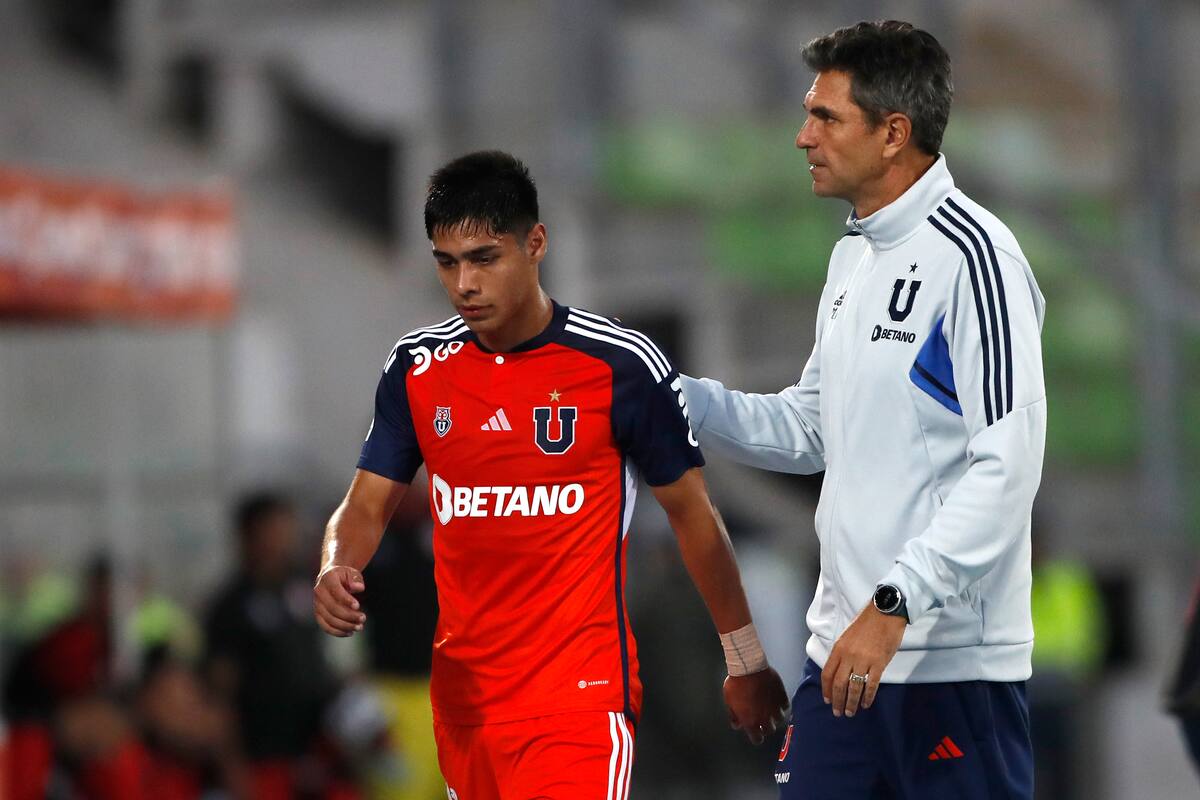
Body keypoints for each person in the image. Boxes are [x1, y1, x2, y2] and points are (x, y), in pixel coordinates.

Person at [313, 150, 789, 799]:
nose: (465, 285)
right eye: (447, 263)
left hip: (580, 704)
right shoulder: (418, 369)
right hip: (466, 709)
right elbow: (365, 503)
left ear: (535, 244)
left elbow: (694, 517)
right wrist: (336, 562)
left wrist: (743, 658)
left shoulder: (621, 366)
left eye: (484, 258)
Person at [679, 21, 1046, 799]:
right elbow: (813, 428)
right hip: (839, 658)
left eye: (825, 117)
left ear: (893, 135)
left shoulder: (977, 262)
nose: (802, 136)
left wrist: (896, 603)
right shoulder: (854, 253)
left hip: (947, 670)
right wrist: (683, 402)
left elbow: (1008, 467)